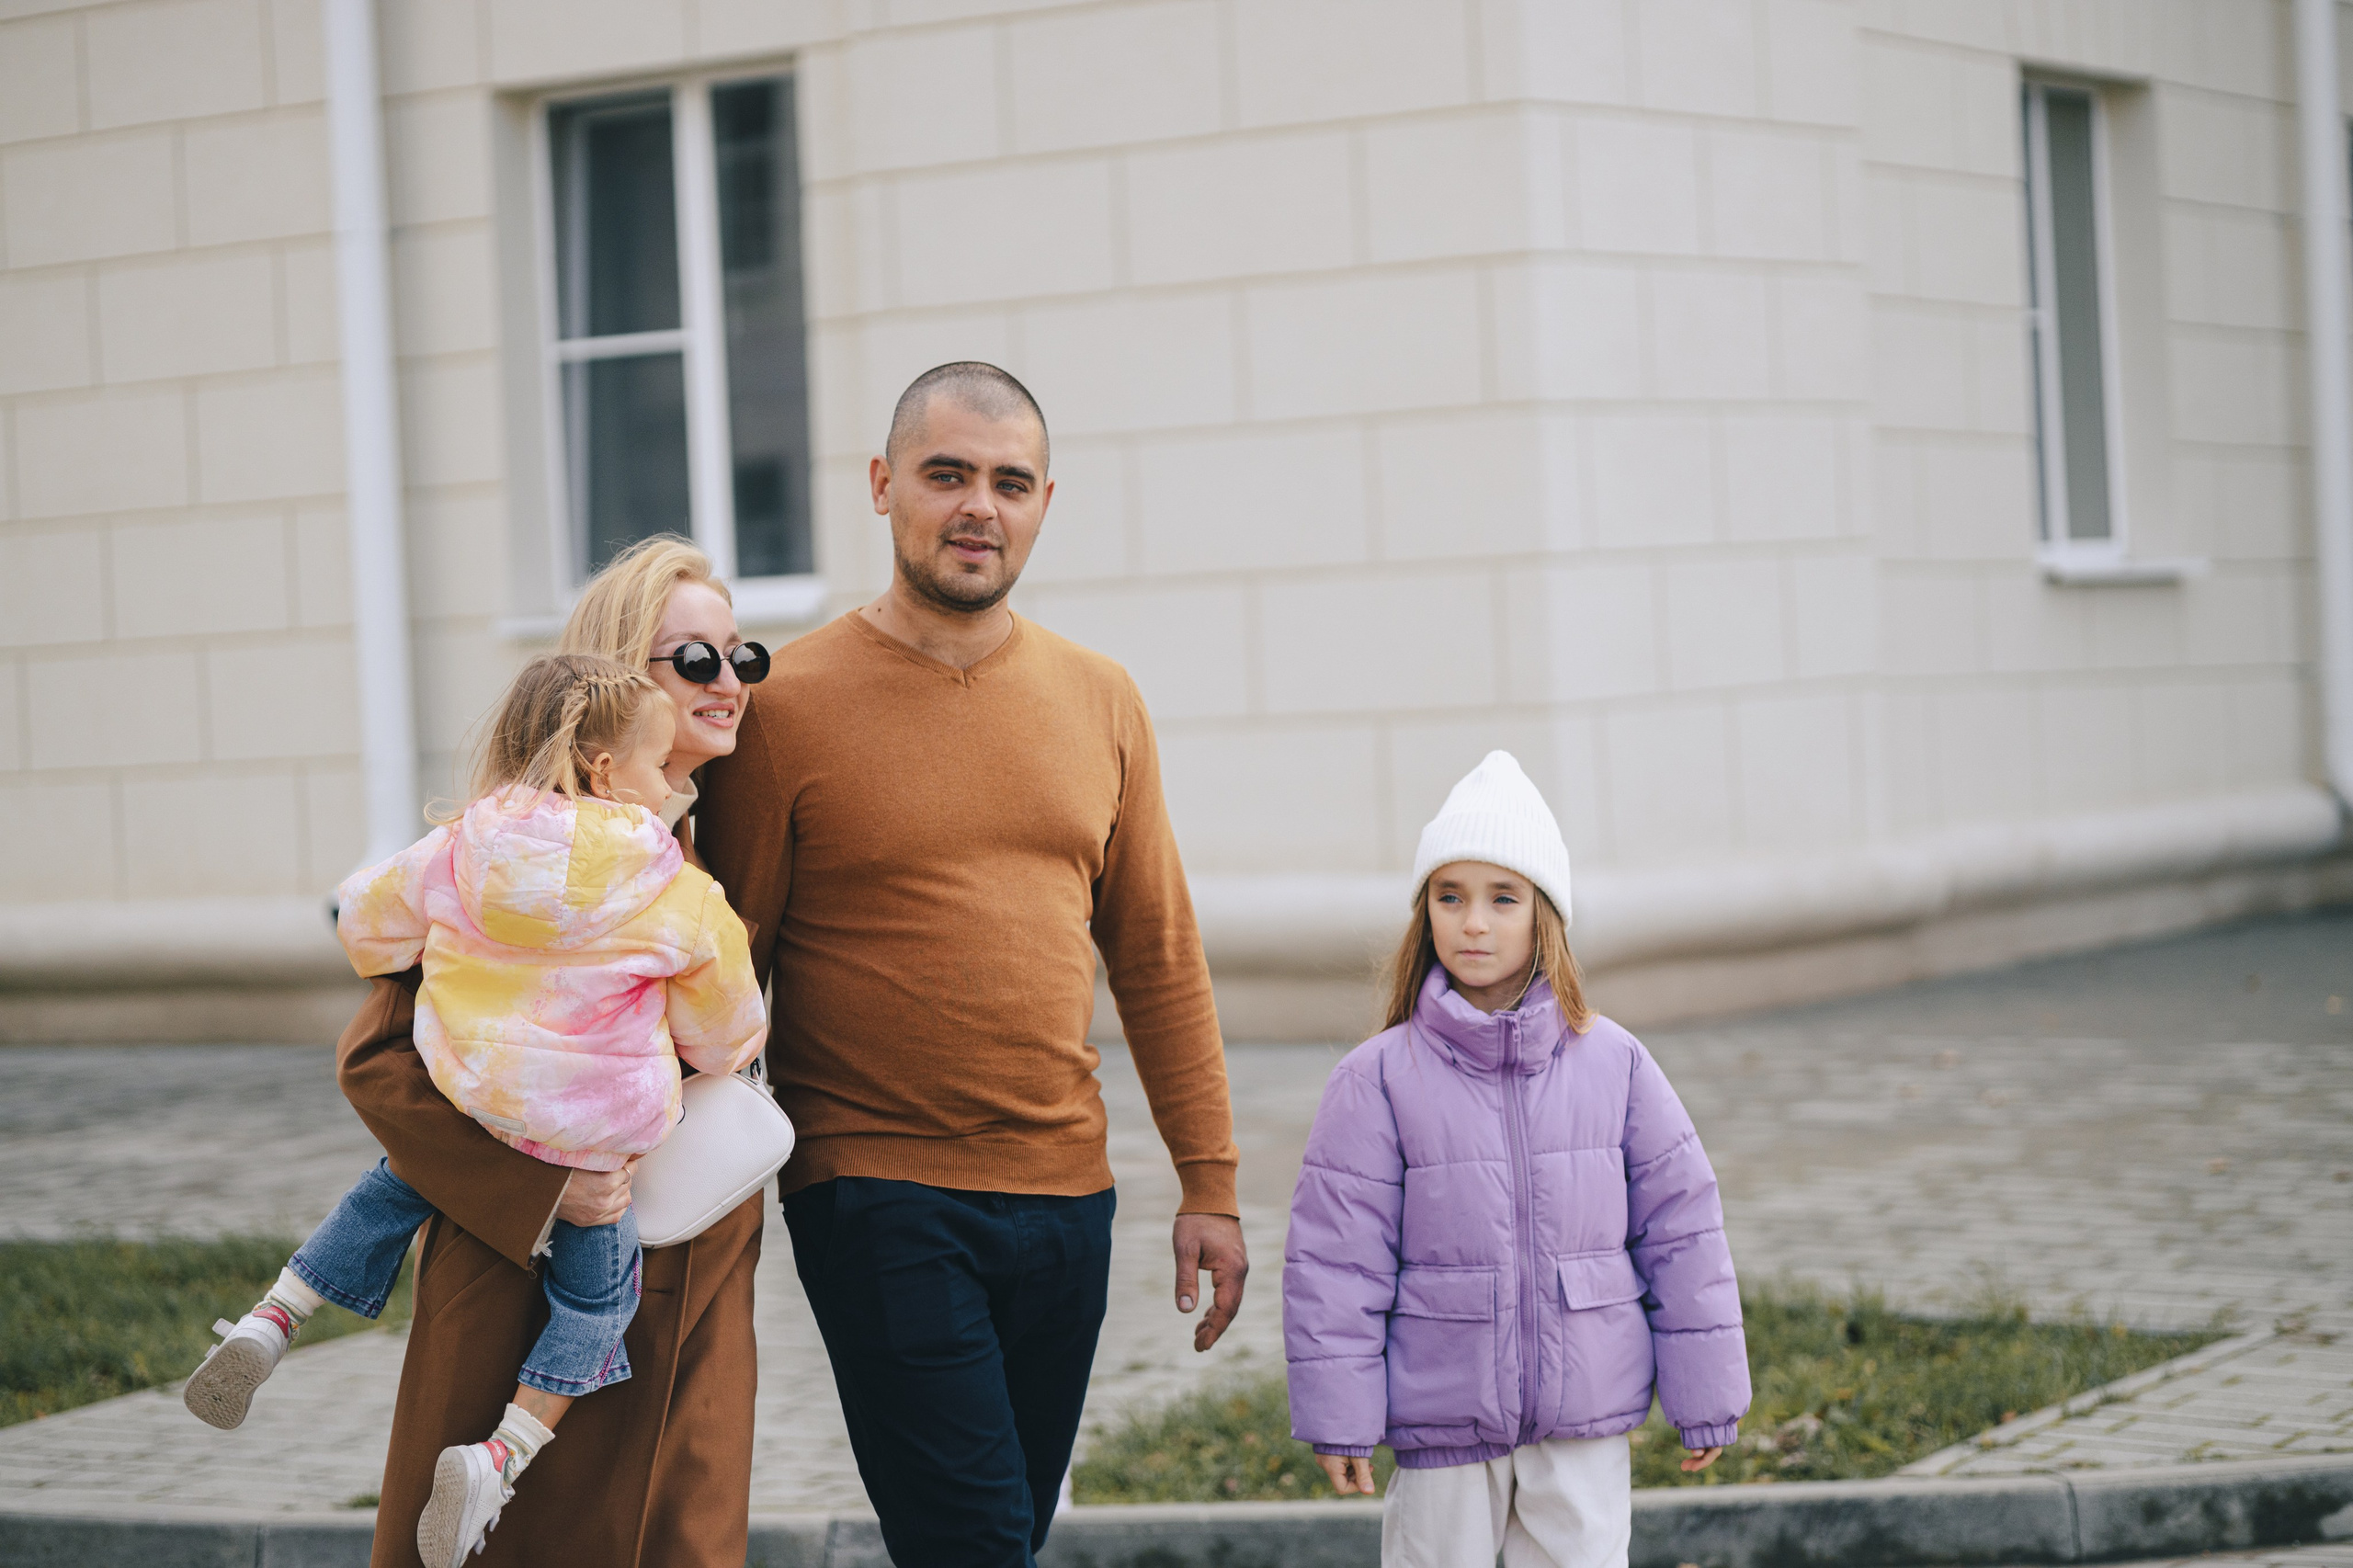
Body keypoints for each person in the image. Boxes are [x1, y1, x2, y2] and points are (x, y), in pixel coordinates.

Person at [696, 361, 1247, 1567]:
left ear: (1046, 499)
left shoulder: (1102, 699)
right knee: (977, 1542)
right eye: (947, 475)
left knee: (995, 1529)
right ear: (886, 486)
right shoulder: (785, 708)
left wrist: (1208, 1181)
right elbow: (724, 962)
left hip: (1067, 1194)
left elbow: (1154, 949)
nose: (977, 507)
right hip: (875, 1185)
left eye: (1008, 482)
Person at [189, 654, 766, 1568]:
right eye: (660, 766)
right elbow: (727, 1032)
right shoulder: (675, 890)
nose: (672, 784)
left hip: (475, 1104)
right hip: (595, 1145)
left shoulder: (462, 844)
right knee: (594, 1307)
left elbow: (365, 925)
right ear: (606, 768)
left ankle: (274, 1316)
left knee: (388, 1192)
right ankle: (500, 1454)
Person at [331, 539, 775, 1568]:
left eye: (739, 655)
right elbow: (380, 1063)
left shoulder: (705, 847)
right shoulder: (511, 860)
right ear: (619, 689)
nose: (728, 683)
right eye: (692, 659)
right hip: (520, 1287)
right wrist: (545, 1184)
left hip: (697, 1289)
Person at [1281, 752, 1749, 1568]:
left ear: (1546, 916)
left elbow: (1683, 1232)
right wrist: (1340, 1413)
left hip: (1584, 1417)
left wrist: (1706, 1393)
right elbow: (1335, 1261)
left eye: (1504, 898)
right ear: (1424, 911)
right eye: (1449, 896)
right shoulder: (1377, 1079)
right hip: (1444, 1420)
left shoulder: (1616, 1063)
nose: (1474, 923)